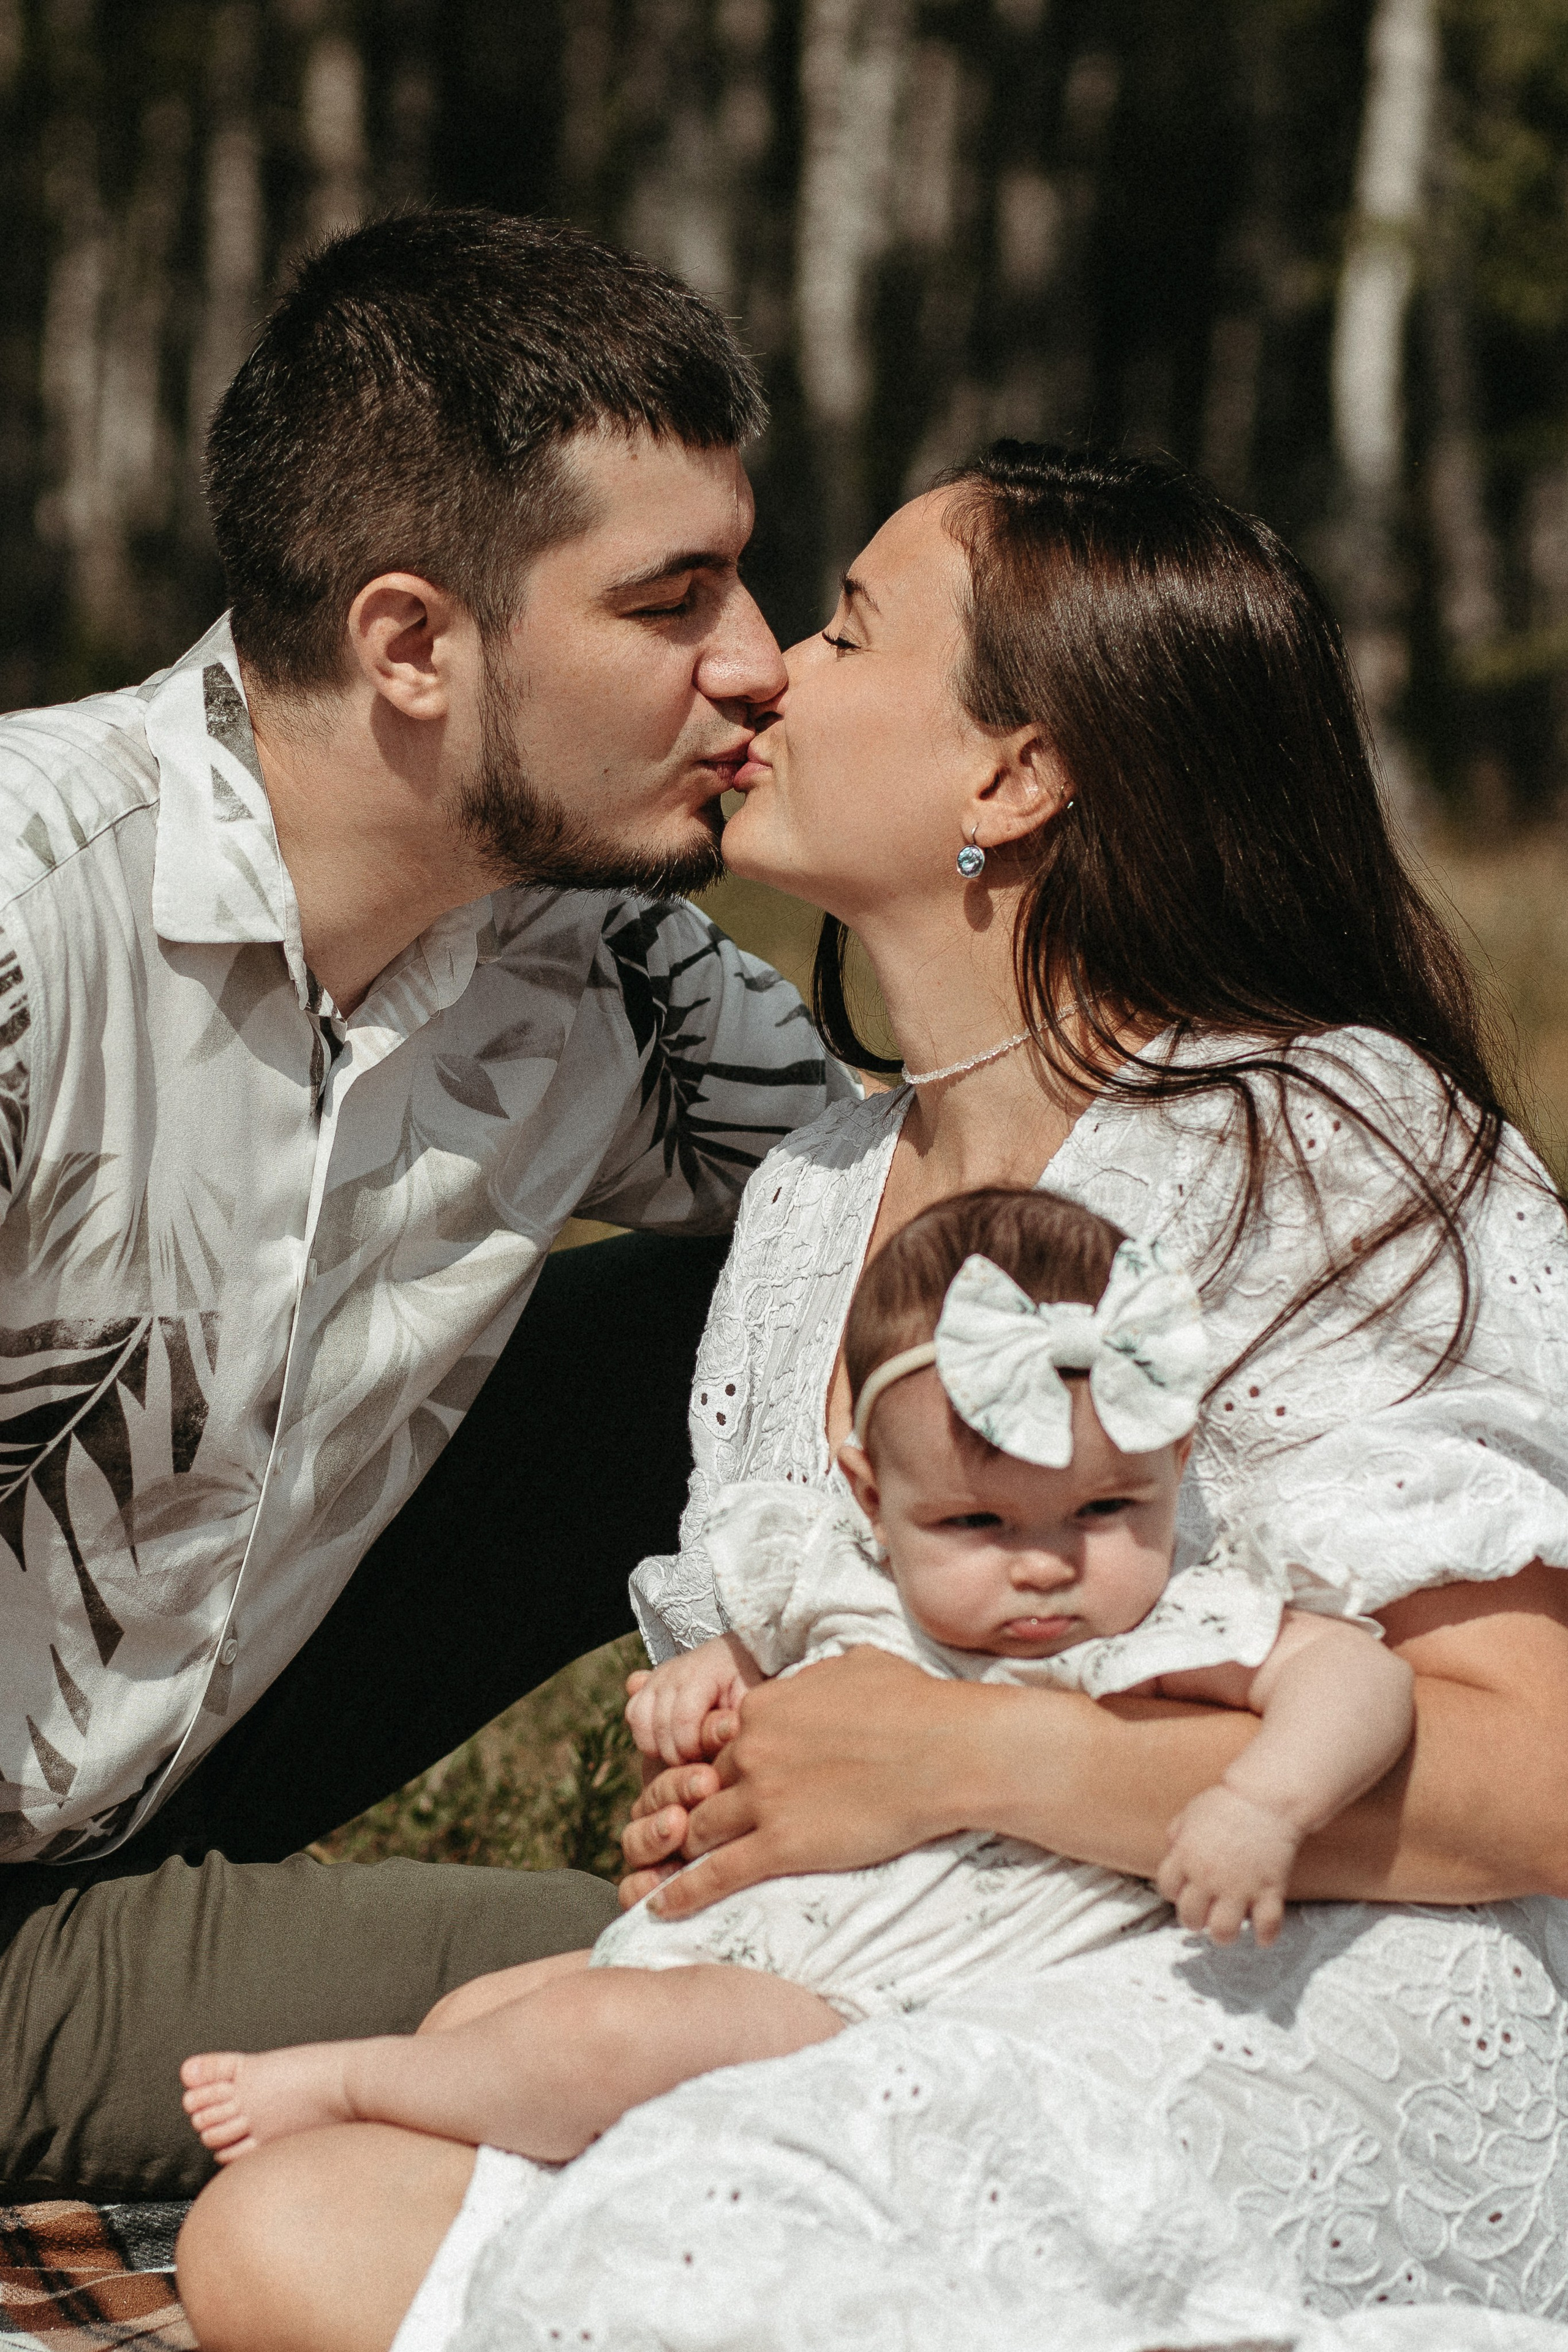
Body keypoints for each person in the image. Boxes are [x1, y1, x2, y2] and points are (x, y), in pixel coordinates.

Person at [176, 443, 1568, 2352]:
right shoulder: (820, 1192)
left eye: (842, 628)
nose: (764, 672)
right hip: (859, 1974)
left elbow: (1538, 1773)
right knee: (281, 2236)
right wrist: (718, 1768)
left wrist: (967, 1758)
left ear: (1014, 773)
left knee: (665, 2259)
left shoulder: (1314, 1139)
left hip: (1220, 1986)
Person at [0, 206, 855, 2204]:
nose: (759, 669)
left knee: (801, 1290)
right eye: (675, 602)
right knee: (808, 2004)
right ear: (411, 644)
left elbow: (975, 1221)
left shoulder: (588, 959)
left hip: (171, 1743)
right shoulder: (36, 928)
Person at [175, 1188, 1414, 2173]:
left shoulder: (1177, 1618)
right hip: (746, 1948)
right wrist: (706, 1680)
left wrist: (1265, 1804)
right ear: (873, 1495)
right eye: (980, 1525)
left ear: (1172, 1468)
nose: (1046, 1566)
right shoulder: (835, 1575)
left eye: (1105, 1507)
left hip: (891, 2016)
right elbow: (761, 1656)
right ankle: (431, 2121)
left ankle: (346, 2085)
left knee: (588, 2038)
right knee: (483, 2015)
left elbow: (1358, 1680)